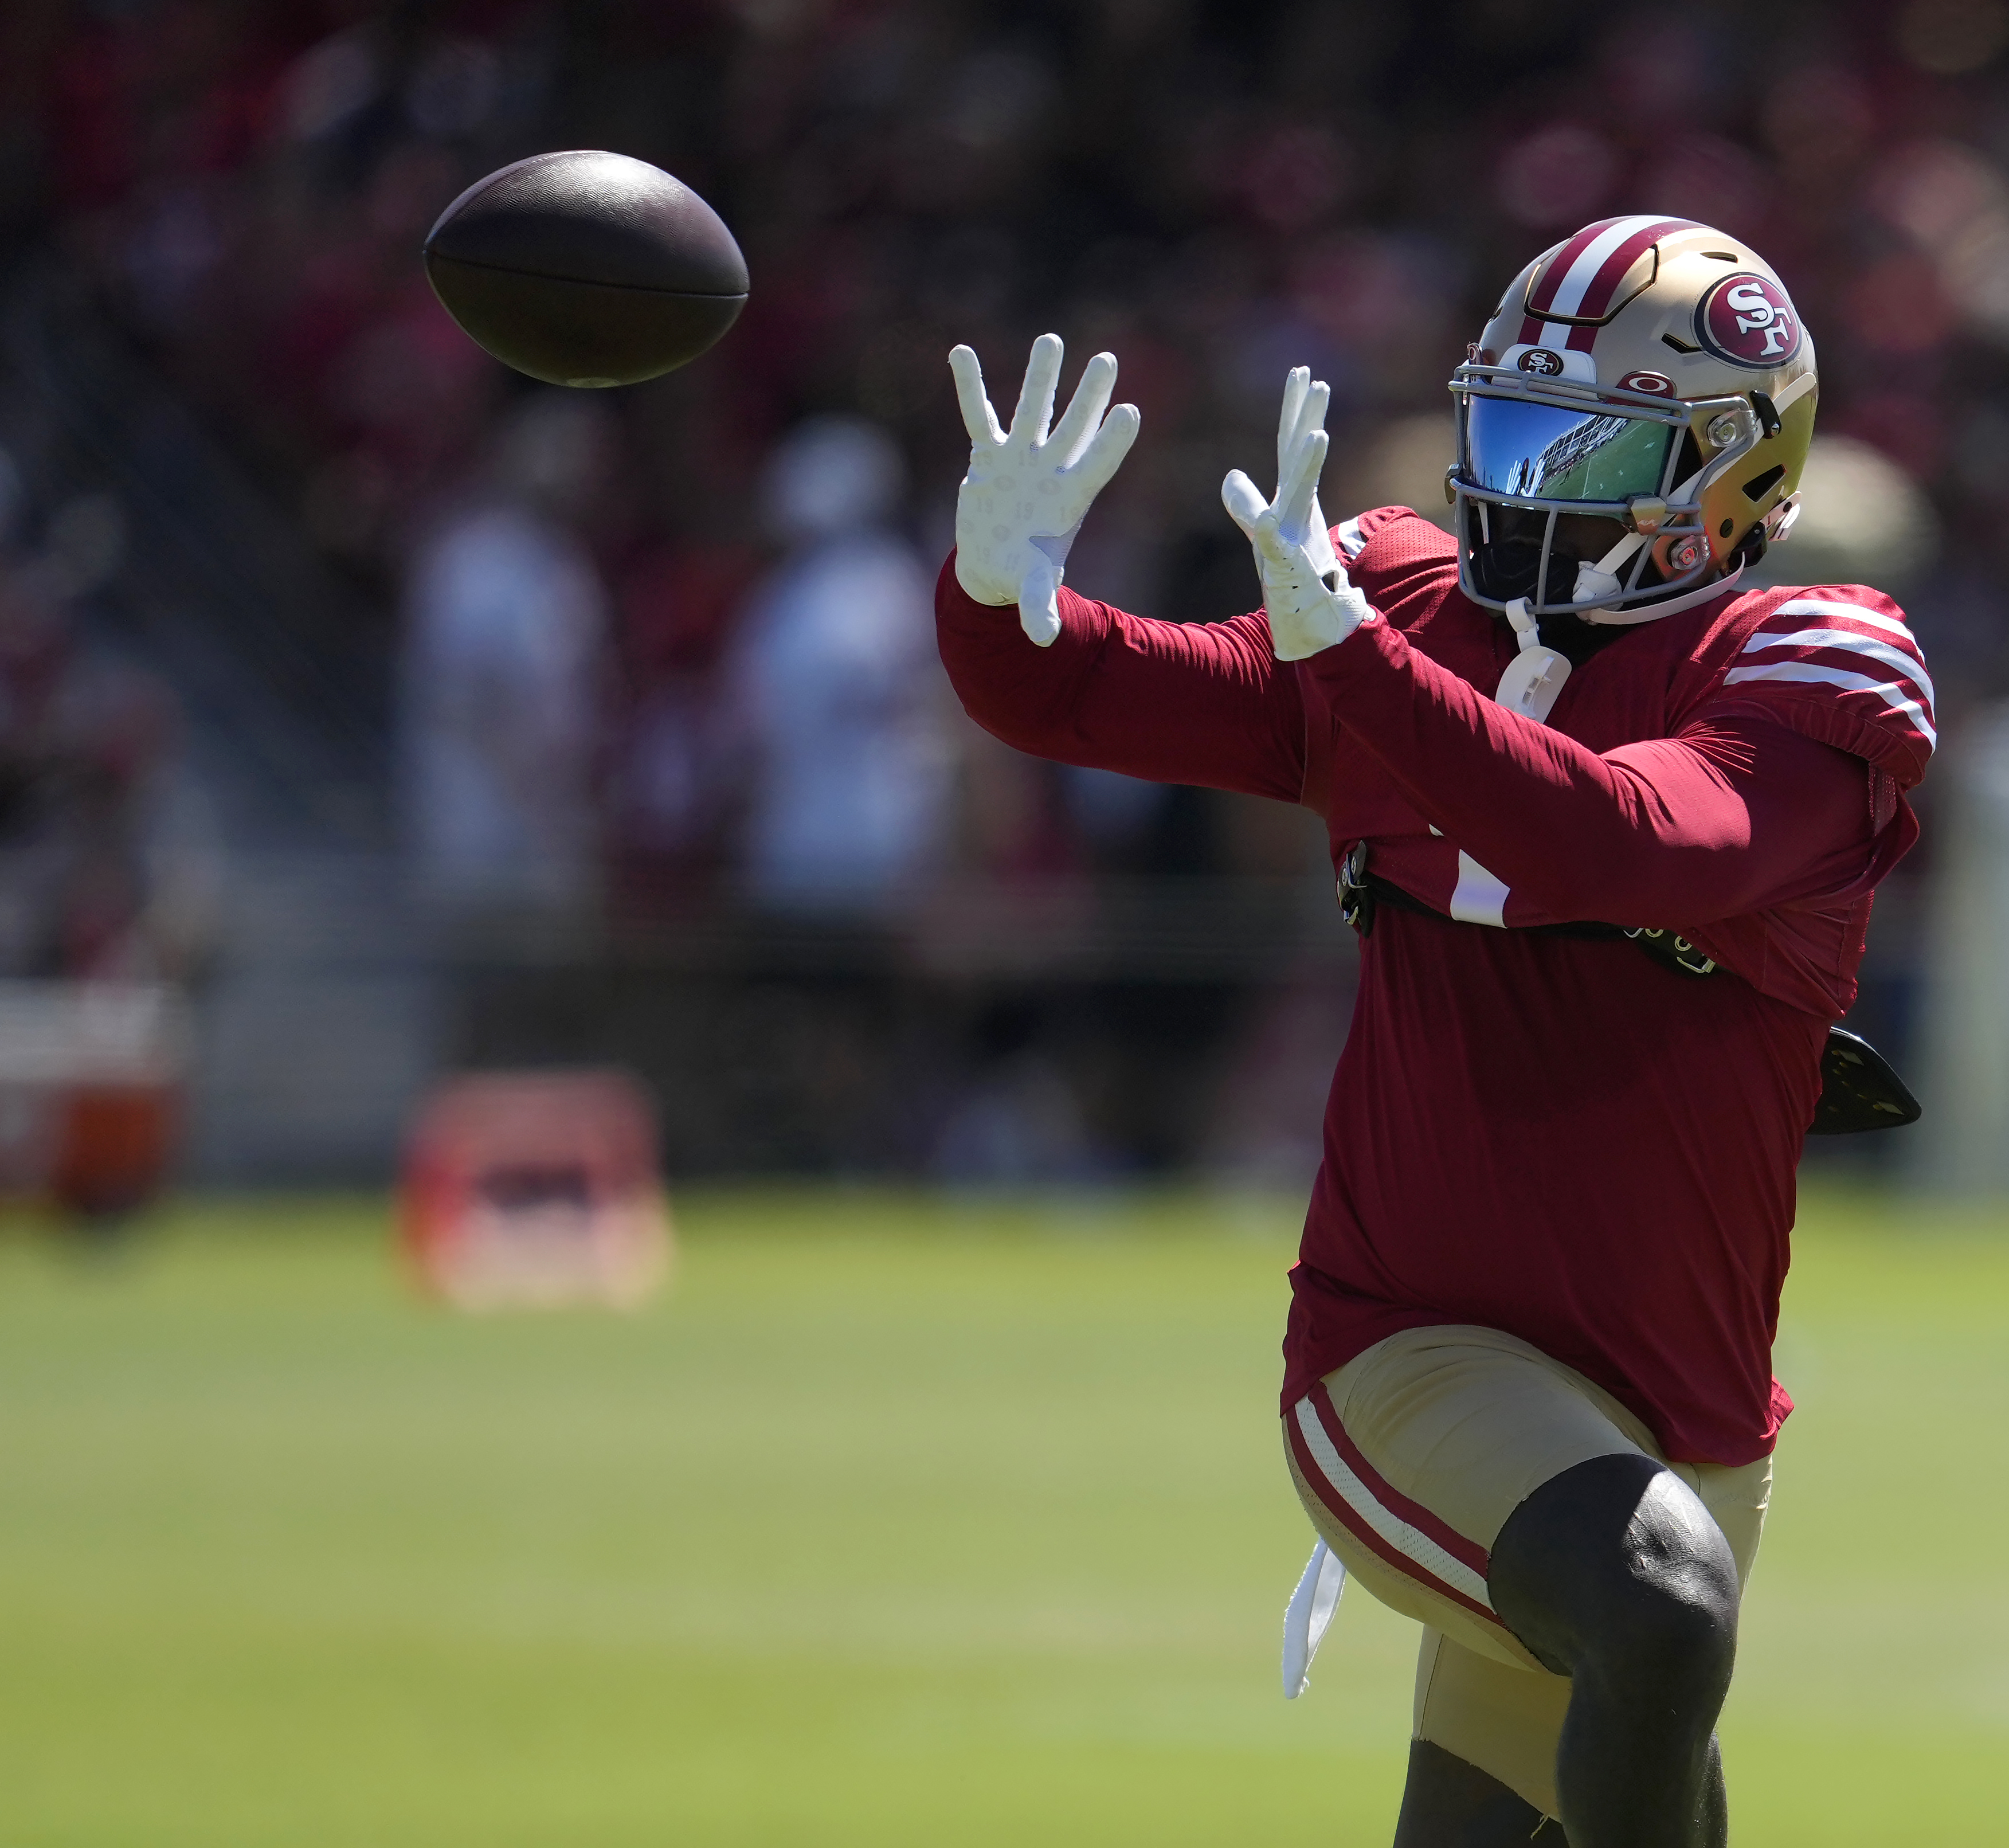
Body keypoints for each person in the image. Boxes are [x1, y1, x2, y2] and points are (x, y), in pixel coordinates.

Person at [938, 218, 1934, 1847]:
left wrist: (1366, 668)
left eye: (1583, 438)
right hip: (1404, 1355)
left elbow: (1628, 841)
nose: (1524, 480)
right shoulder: (1406, 605)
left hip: (1675, 1404)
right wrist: (1000, 597)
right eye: (1505, 429)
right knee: (1659, 1609)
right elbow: (1082, 695)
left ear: (1731, 467)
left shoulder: (1806, 665)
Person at [730, 416, 952, 920]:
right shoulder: (905, 582)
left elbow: (753, 725)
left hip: (820, 839)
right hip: (883, 834)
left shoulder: (787, 596)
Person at [401, 397, 610, 917]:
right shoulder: (475, 559)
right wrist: (538, 798)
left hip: (551, 816)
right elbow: (473, 697)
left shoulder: (561, 560)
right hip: (484, 814)